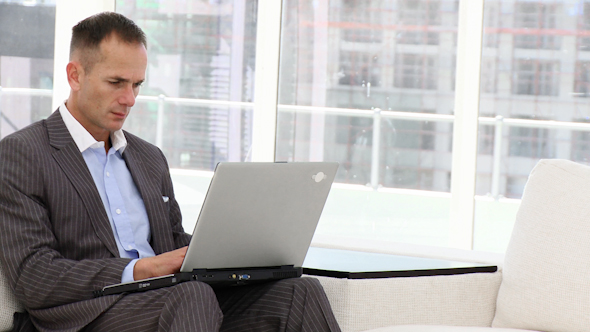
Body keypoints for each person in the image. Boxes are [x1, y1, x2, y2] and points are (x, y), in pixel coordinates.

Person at [0, 12, 341, 332]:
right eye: (116, 82)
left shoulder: (149, 158)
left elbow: (175, 243)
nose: (129, 99)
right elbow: (34, 275)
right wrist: (139, 269)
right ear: (75, 75)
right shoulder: (23, 153)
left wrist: (239, 252)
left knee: (300, 292)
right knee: (191, 297)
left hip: (174, 303)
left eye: (137, 84)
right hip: (88, 313)